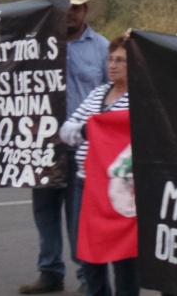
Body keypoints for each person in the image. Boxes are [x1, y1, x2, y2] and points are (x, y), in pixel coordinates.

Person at [21, 0, 108, 295]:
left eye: (77, 7)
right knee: (44, 212)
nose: (71, 13)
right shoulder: (37, 43)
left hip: (81, 147)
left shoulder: (101, 48)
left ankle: (88, 277)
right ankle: (50, 271)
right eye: (65, 7)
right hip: (43, 145)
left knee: (79, 215)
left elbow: (113, 96)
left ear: (85, 12)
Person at [60, 36, 137, 296]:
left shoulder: (141, 99)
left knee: (124, 256)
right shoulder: (97, 94)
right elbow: (66, 130)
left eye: (120, 61)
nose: (113, 65)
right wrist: (88, 129)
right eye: (110, 59)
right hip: (87, 184)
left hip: (122, 187)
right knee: (89, 254)